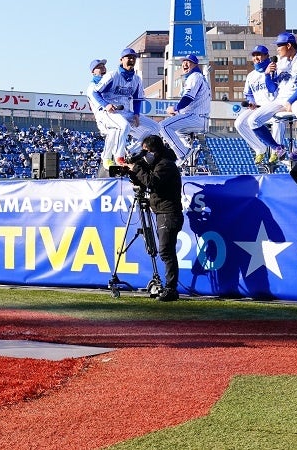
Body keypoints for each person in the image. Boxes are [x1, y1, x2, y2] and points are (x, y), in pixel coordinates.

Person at [127, 134, 183, 302]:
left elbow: (152, 182)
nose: (144, 155)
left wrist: (137, 168)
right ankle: (169, 287)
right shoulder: (159, 164)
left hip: (168, 213)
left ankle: (171, 289)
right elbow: (147, 182)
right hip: (162, 212)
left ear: (154, 150)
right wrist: (133, 174)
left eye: (146, 151)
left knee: (166, 251)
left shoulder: (165, 165)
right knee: (165, 250)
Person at [247, 32, 297, 161]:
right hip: (280, 99)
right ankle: (277, 147)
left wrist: (291, 101)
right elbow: (272, 88)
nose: (277, 49)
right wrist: (268, 75)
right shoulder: (279, 63)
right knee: (253, 120)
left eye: (279, 46)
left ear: (289, 45)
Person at [90, 48, 159, 165]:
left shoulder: (137, 79)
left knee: (156, 127)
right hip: (111, 112)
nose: (131, 59)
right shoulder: (112, 75)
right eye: (128, 57)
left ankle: (132, 149)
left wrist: (136, 114)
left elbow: (137, 99)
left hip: (127, 112)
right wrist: (106, 105)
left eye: (133, 57)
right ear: (121, 60)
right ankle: (119, 157)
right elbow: (95, 93)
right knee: (123, 126)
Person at [235, 45, 284, 164]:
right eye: (254, 55)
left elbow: (273, 89)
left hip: (275, 105)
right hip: (258, 107)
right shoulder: (251, 75)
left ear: (267, 56)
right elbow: (249, 93)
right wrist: (251, 102)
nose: (256, 57)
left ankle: (275, 151)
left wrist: (269, 74)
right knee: (239, 123)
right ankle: (259, 149)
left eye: (259, 55)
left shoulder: (275, 69)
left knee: (278, 121)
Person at [159, 54, 211, 162]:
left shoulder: (195, 76)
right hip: (199, 118)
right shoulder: (198, 78)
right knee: (178, 132)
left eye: (189, 62)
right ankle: (190, 155)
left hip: (195, 118)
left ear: (195, 65)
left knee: (163, 126)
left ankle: (184, 153)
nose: (185, 64)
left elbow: (188, 98)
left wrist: (176, 109)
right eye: (183, 62)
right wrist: (178, 112)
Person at [85, 58, 116, 172]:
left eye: (103, 65)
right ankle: (106, 158)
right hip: (103, 117)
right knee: (113, 132)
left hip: (114, 115)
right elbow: (101, 105)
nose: (103, 68)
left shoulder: (108, 84)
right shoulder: (92, 87)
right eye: (99, 67)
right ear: (93, 72)